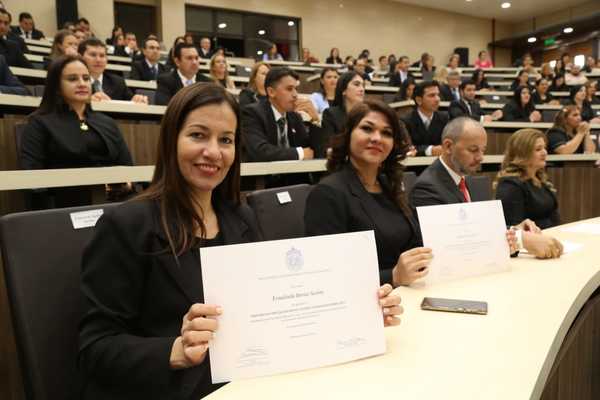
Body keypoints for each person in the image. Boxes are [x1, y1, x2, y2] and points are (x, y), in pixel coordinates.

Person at [79, 83, 402, 400]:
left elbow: (274, 312)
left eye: (226, 140)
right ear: (171, 140)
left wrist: (358, 312)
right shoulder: (127, 224)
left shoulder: (242, 217)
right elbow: (95, 348)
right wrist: (175, 350)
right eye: (197, 135)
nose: (213, 152)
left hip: (247, 385)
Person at [305, 99, 432, 286]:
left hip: (409, 293)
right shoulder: (328, 193)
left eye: (386, 133)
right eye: (367, 129)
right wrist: (393, 277)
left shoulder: (390, 185)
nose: (377, 138)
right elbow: (329, 275)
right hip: (367, 303)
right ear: (348, 135)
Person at [410, 117, 563, 259]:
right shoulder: (427, 188)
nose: (480, 157)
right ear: (448, 146)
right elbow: (452, 245)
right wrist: (521, 239)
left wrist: (514, 230)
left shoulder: (466, 180)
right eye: (473, 150)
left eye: (483, 150)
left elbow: (477, 228)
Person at [20, 55, 132, 207]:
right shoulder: (39, 123)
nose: (82, 84)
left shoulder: (107, 122)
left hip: (113, 204)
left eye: (86, 78)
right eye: (72, 79)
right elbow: (33, 181)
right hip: (64, 209)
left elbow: (128, 170)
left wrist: (124, 185)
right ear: (57, 85)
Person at [241, 67, 313, 162]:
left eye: (296, 89)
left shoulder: (294, 116)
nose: (295, 94)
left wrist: (315, 120)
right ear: (271, 92)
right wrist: (299, 153)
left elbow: (312, 149)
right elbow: (260, 151)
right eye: (289, 89)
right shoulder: (252, 113)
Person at [495, 129, 560, 229]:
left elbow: (554, 216)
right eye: (538, 149)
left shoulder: (541, 178)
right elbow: (514, 227)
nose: (545, 153)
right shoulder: (510, 185)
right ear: (523, 153)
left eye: (544, 148)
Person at [78, 38, 148, 104]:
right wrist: (87, 102)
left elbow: (131, 101)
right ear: (80, 57)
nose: (98, 60)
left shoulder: (118, 82)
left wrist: (138, 99)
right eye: (93, 55)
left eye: (102, 56)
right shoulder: (75, 82)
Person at [321, 71, 365, 157]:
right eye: (356, 84)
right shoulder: (330, 114)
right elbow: (329, 150)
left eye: (363, 86)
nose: (362, 89)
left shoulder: (367, 114)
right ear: (343, 90)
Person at [401, 81, 448, 156]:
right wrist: (429, 150)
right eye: (432, 95)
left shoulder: (445, 117)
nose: (437, 99)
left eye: (438, 95)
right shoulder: (405, 121)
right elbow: (408, 148)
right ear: (419, 100)